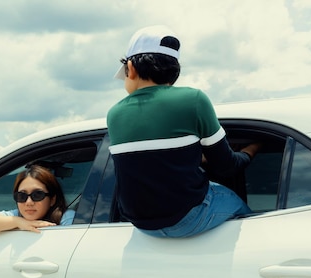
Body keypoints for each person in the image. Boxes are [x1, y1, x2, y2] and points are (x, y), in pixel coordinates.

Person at [107, 25, 261, 238]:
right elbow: (227, 167)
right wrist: (250, 150)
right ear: (174, 71)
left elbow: (148, 164)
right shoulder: (193, 100)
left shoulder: (114, 114)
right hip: (188, 219)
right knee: (237, 204)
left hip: (141, 225)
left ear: (130, 68)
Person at [0, 164, 75, 234]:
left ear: (52, 199)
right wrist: (18, 222)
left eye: (37, 195)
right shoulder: (17, 215)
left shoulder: (66, 218)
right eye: (22, 196)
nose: (29, 202)